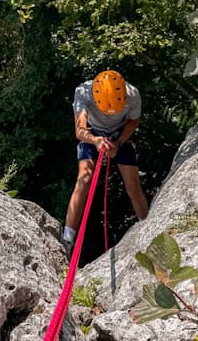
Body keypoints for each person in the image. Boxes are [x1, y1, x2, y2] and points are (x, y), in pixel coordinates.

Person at [62, 70, 149, 257]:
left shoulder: (132, 94)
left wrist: (118, 143)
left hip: (120, 135)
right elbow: (80, 130)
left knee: (133, 187)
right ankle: (67, 239)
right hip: (92, 134)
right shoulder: (84, 93)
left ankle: (149, 226)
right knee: (84, 180)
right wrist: (96, 141)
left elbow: (133, 122)